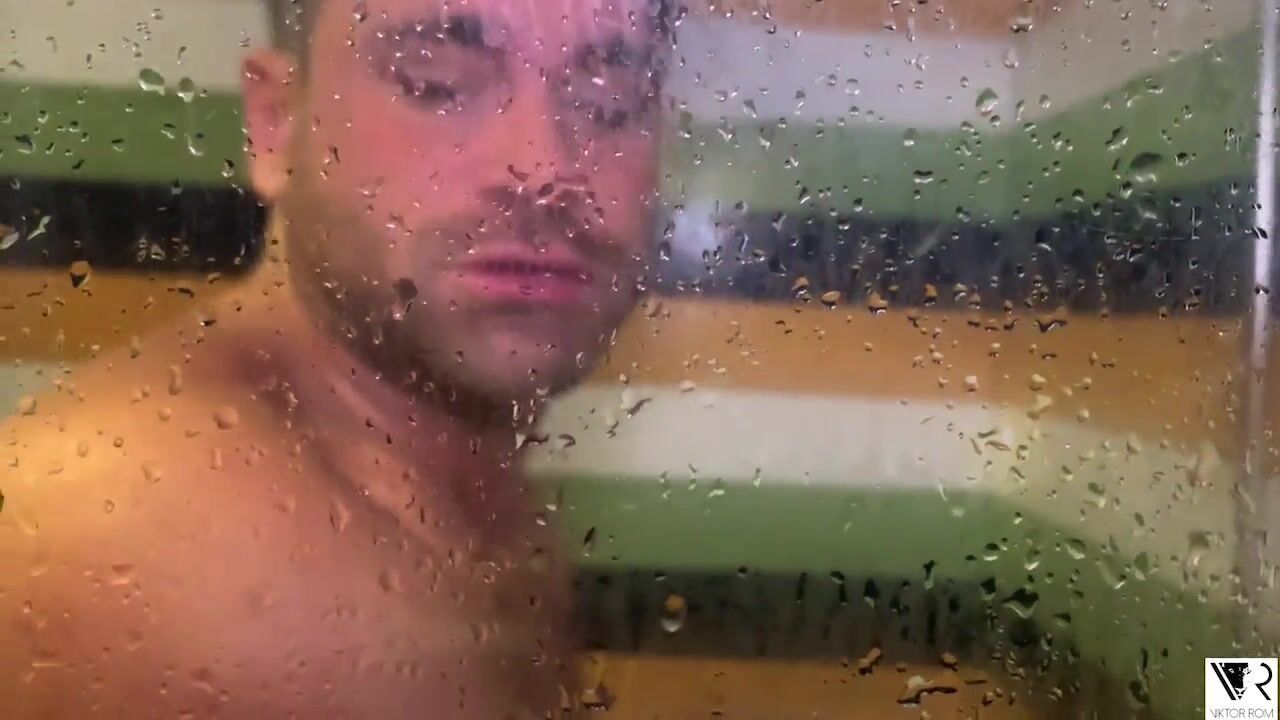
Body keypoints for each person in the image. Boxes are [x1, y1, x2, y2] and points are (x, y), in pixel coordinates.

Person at [0, 0, 672, 716]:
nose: (545, 169)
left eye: (611, 100)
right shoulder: (161, 551)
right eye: (437, 83)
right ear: (276, 122)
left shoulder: (444, 447)